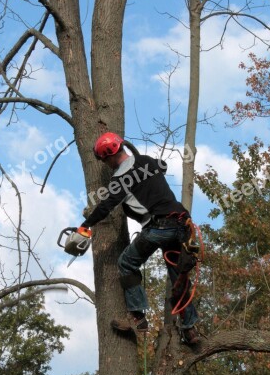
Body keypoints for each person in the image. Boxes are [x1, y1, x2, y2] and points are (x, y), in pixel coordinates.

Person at [80, 132, 200, 345]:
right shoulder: (146, 161)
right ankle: (190, 329)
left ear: (108, 156)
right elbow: (162, 166)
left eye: (104, 160)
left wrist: (85, 225)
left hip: (159, 227)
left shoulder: (120, 180)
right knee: (177, 276)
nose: (106, 164)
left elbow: (106, 206)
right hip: (182, 225)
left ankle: (137, 318)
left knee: (126, 263)